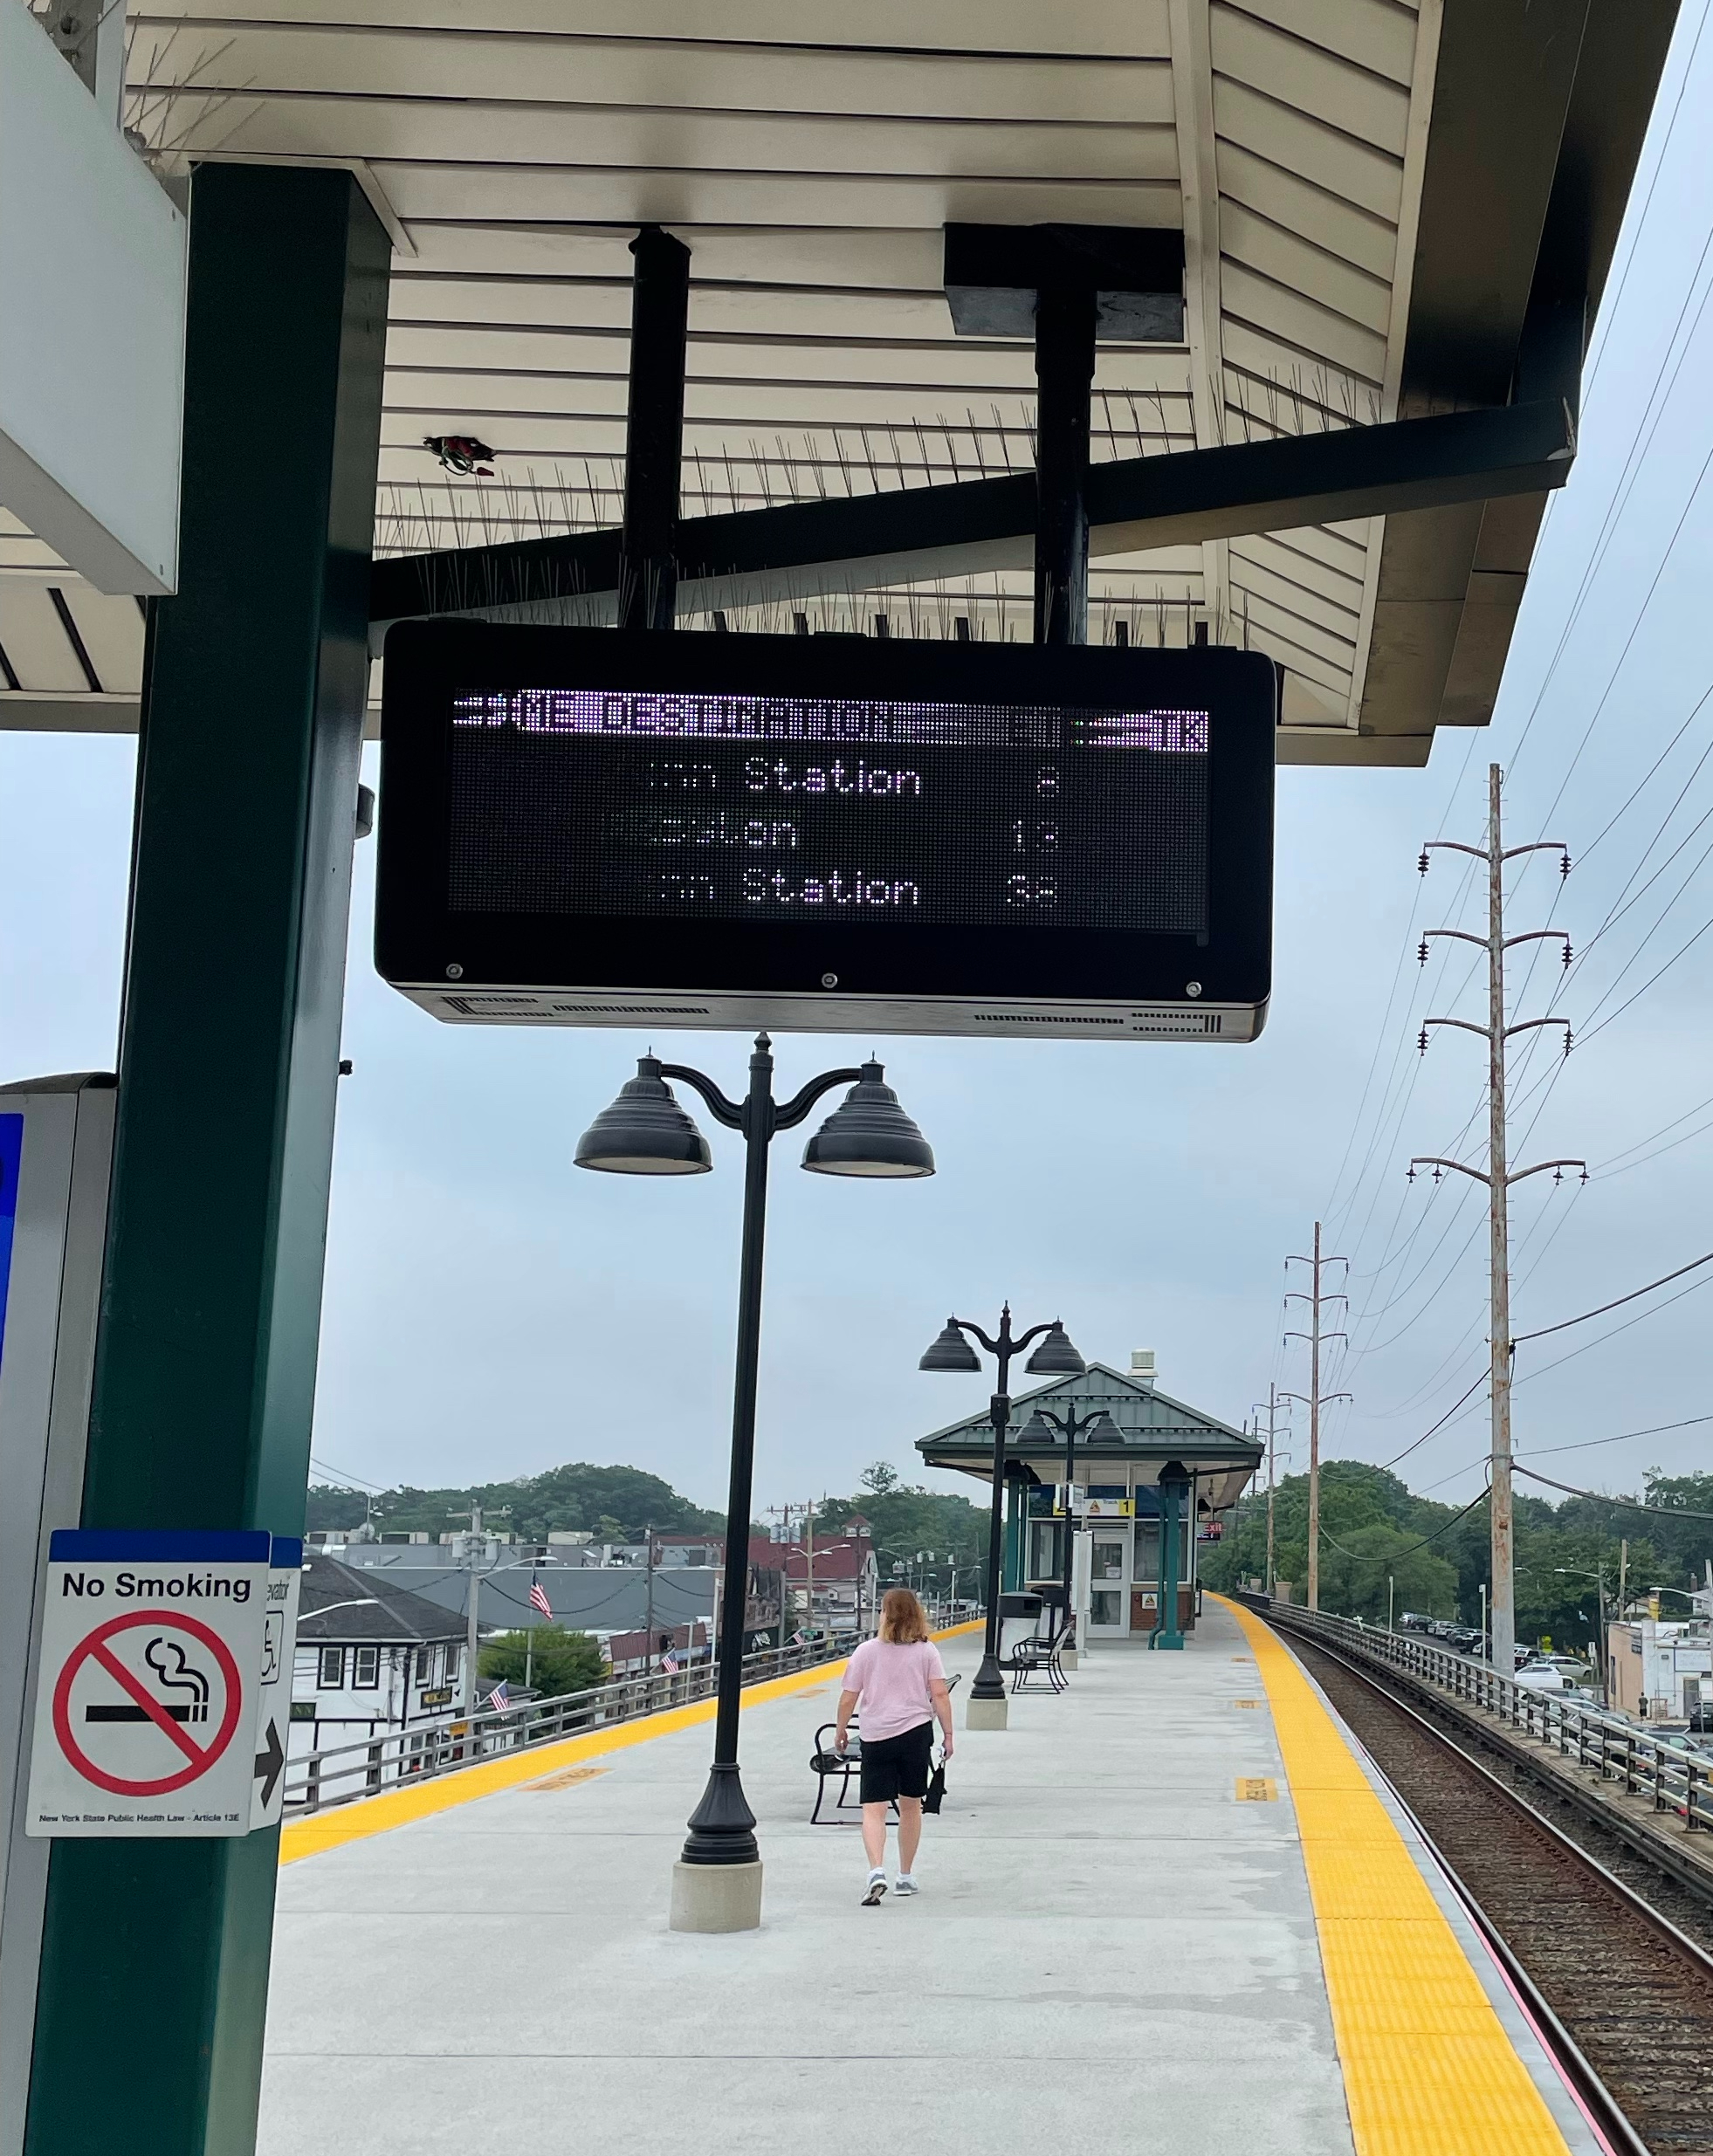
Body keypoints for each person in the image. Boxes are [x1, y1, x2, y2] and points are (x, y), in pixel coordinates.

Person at [834, 1587, 953, 1905]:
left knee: (874, 1808)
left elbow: (848, 1697)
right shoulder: (927, 1651)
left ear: (885, 1615)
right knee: (911, 1806)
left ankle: (876, 1870)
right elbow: (940, 1695)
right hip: (916, 1734)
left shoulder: (865, 1652)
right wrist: (948, 1735)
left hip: (876, 1736)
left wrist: (841, 1730)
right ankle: (905, 1876)